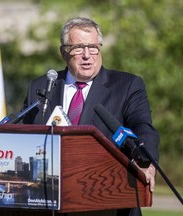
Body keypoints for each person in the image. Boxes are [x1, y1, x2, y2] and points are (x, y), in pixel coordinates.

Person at [22, 17, 159, 216]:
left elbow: (144, 128)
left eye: (93, 47)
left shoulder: (127, 86)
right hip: (48, 201)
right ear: (63, 52)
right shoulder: (41, 86)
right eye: (78, 48)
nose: (87, 55)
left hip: (108, 202)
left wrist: (146, 161)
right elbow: (24, 132)